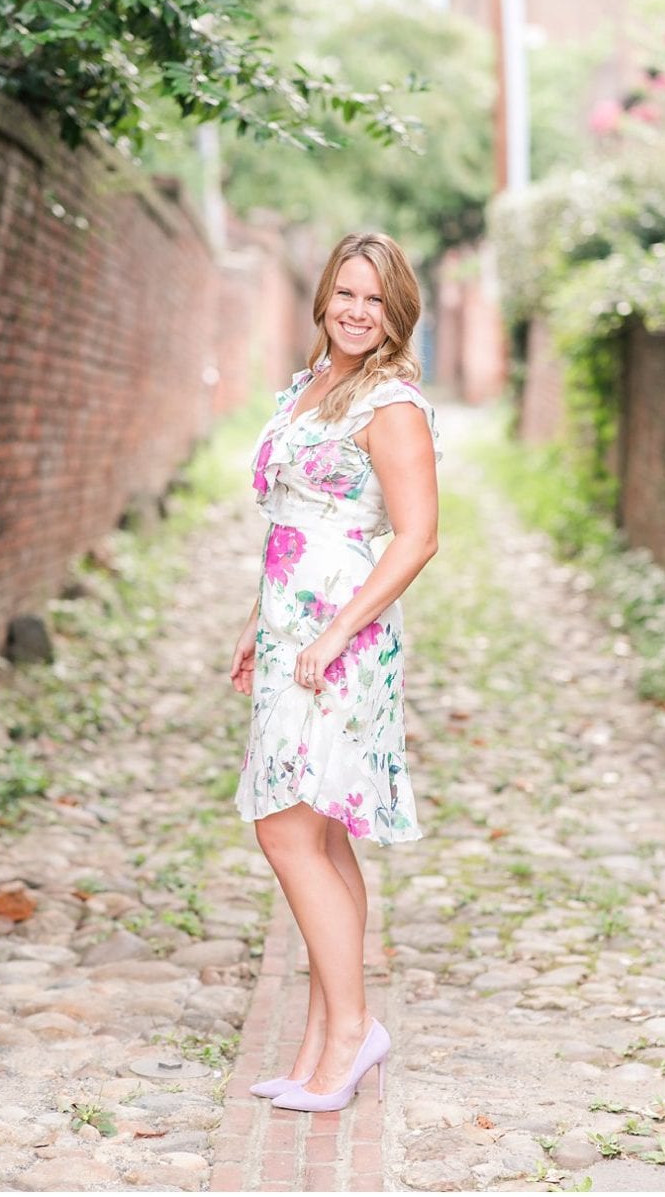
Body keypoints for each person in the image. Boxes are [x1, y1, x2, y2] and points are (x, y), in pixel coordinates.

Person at [228, 232, 441, 1113]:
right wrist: (257, 621)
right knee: (318, 832)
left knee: (285, 827)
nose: (358, 310)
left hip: (340, 642)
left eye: (376, 299)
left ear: (398, 313)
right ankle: (321, 1040)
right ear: (324, 296)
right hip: (288, 631)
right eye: (346, 293)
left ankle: (350, 1031)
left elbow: (418, 536)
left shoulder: (389, 404)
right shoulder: (310, 386)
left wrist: (332, 635)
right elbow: (291, 520)